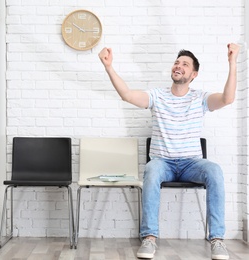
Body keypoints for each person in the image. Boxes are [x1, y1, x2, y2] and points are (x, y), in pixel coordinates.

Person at [98, 43, 240, 260]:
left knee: (214, 171)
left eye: (185, 64)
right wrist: (109, 67)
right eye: (176, 62)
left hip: (192, 163)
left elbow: (227, 99)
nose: (178, 66)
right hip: (162, 162)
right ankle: (149, 238)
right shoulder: (157, 96)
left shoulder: (200, 98)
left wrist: (232, 62)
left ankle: (217, 240)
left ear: (194, 74)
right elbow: (126, 95)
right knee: (151, 170)